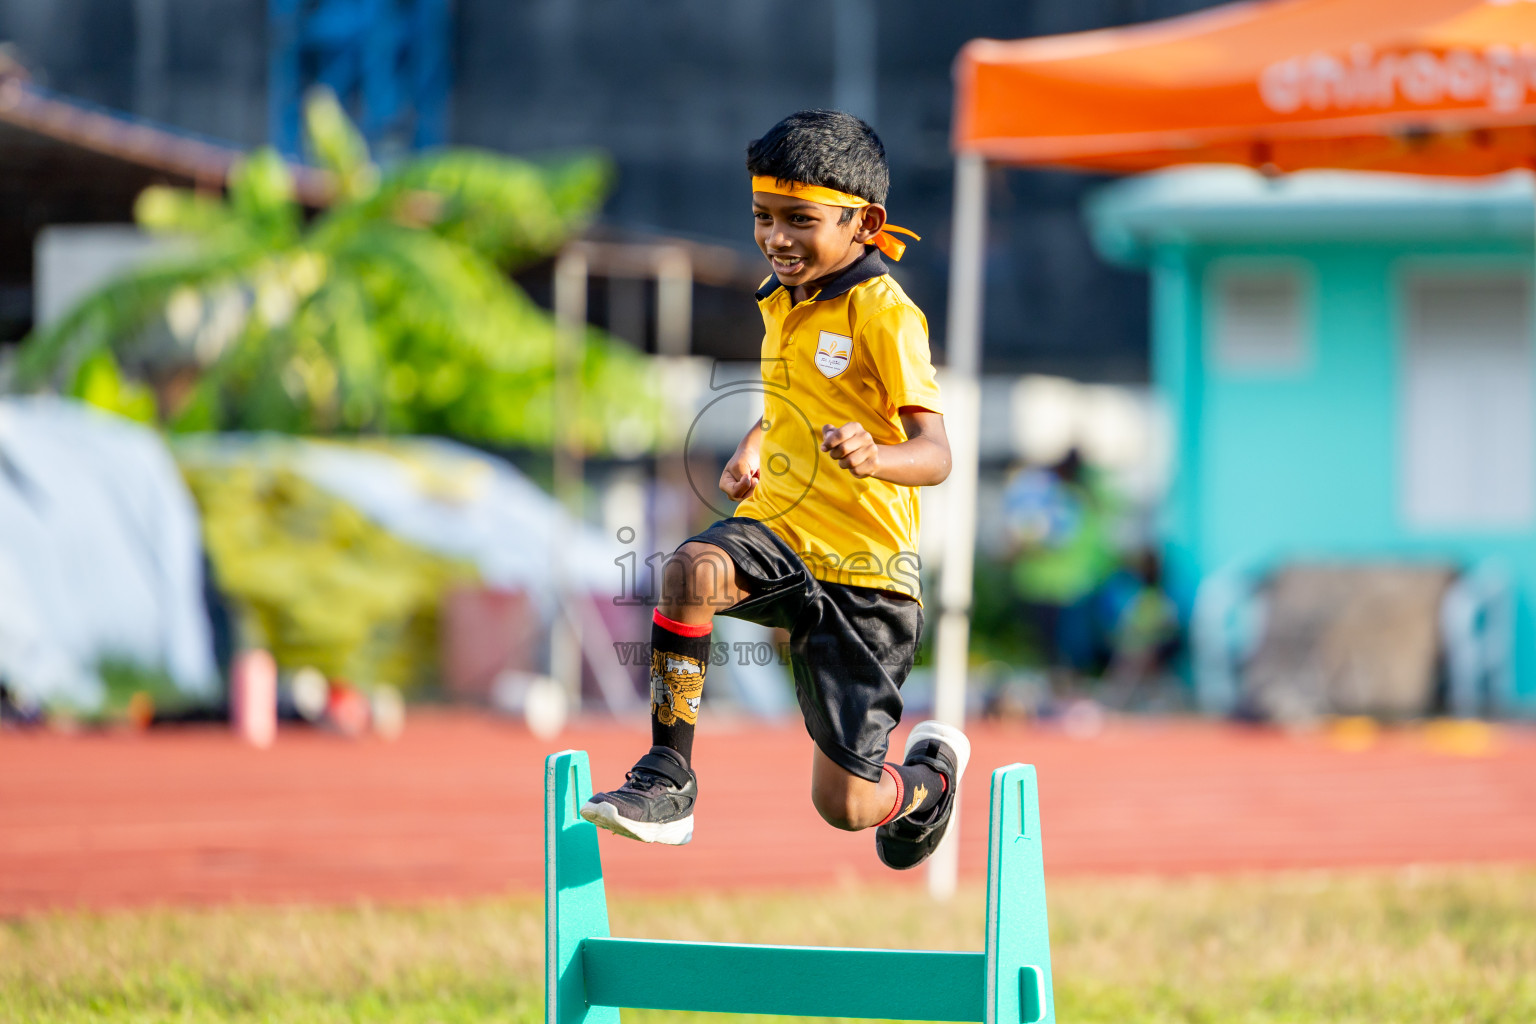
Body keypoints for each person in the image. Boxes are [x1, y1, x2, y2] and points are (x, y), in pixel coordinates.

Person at [582, 110, 968, 869]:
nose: (776, 238)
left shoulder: (886, 314)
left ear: (866, 223)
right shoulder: (780, 297)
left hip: (868, 574)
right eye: (762, 216)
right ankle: (667, 779)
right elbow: (796, 396)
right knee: (690, 571)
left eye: (800, 220)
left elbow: (935, 454)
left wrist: (874, 455)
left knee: (845, 806)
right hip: (782, 529)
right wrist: (758, 441)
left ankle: (926, 781)